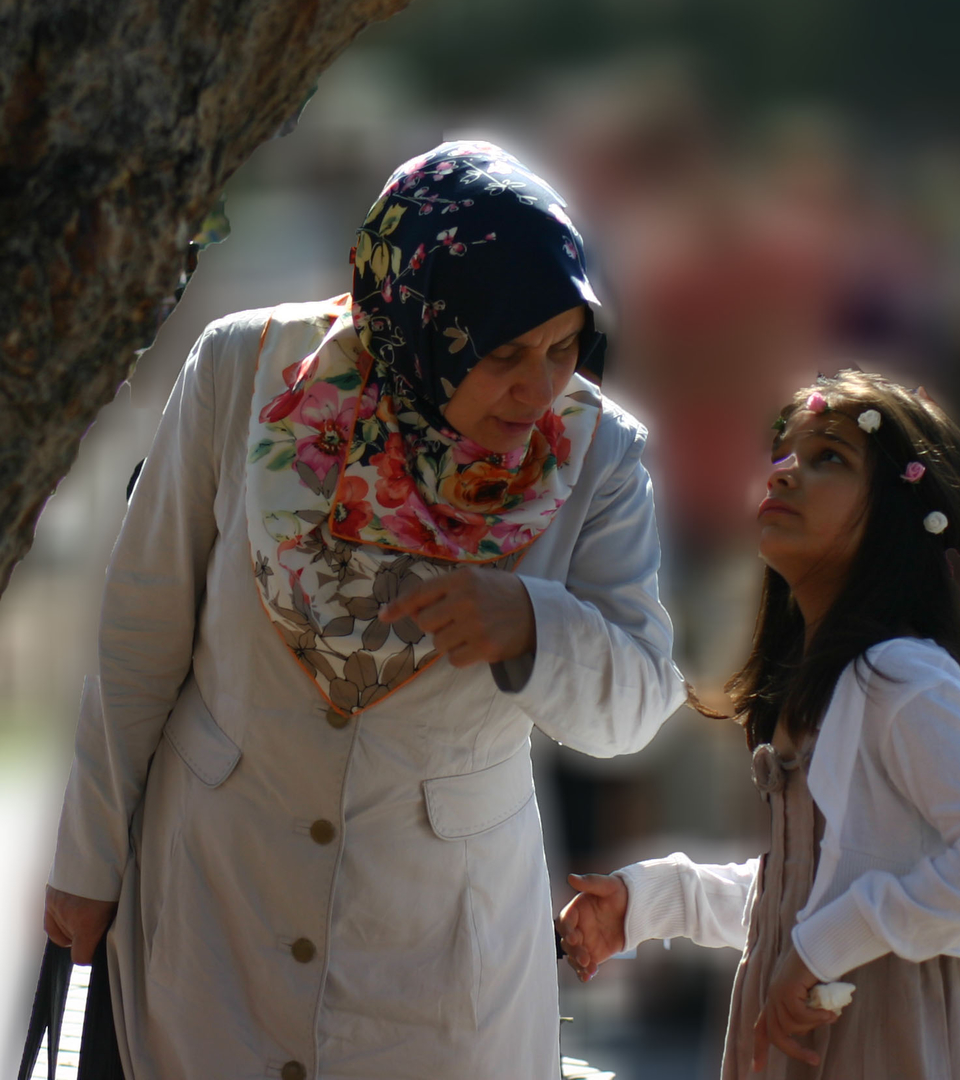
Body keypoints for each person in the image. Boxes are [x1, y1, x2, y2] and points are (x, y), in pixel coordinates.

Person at [43, 142, 685, 1079]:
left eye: (563, 348)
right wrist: (87, 859)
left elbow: (641, 700)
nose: (541, 389)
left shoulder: (597, 456)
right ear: (421, 320)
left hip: (434, 955)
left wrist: (533, 624)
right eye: (504, 353)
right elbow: (142, 630)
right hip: (220, 902)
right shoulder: (243, 370)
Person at [557, 371, 960, 1078]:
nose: (786, 471)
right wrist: (658, 899)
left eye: (829, 458)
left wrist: (825, 947)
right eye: (785, 452)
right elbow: (813, 892)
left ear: (895, 518)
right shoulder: (827, 685)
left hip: (886, 1042)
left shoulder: (905, 679)